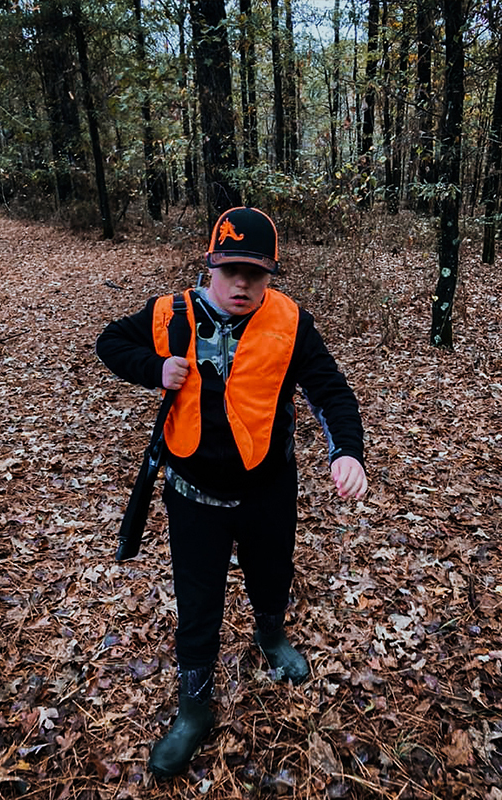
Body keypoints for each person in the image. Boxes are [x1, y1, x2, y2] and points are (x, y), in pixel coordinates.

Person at [95, 206, 367, 778]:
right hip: (193, 497)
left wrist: (346, 451)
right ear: (210, 264)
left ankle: (273, 637)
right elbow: (110, 343)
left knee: (272, 574)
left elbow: (332, 392)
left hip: (269, 490)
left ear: (271, 272)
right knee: (198, 606)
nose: (241, 284)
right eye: (230, 271)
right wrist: (156, 367)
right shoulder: (170, 314)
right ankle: (194, 708)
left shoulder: (292, 324)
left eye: (256, 273)